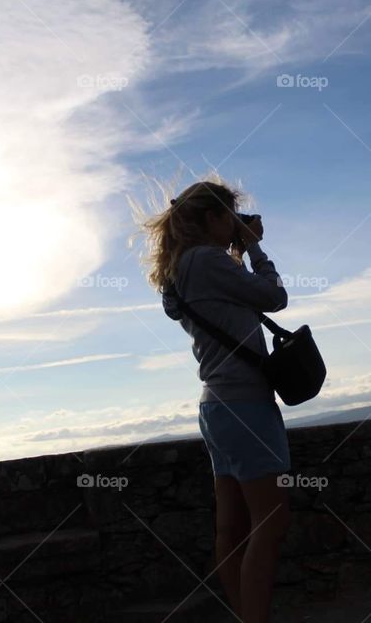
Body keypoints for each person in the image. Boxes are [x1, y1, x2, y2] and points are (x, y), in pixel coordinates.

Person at [135, 176, 291, 623]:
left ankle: (245, 616)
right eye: (229, 216)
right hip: (245, 405)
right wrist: (255, 247)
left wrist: (237, 247)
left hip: (217, 408)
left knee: (232, 528)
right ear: (211, 218)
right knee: (271, 521)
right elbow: (274, 296)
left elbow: (229, 290)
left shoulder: (182, 269)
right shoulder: (206, 260)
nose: (236, 224)